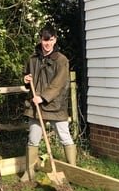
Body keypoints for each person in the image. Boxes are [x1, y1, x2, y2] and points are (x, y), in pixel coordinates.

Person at [21, 24, 77, 182]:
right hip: (35, 107)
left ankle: (72, 171)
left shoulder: (61, 60)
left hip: (55, 106)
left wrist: (44, 97)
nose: (47, 44)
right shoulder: (33, 59)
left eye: (50, 40)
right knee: (33, 139)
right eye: (45, 40)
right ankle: (30, 172)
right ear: (40, 39)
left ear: (55, 40)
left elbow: (58, 84)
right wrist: (25, 80)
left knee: (65, 137)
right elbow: (27, 76)